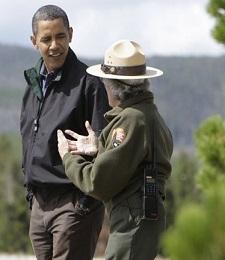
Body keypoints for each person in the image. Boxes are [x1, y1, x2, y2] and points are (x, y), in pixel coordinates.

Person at [57, 39, 173, 260]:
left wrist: (67, 157)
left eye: (105, 82)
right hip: (145, 214)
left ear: (115, 88)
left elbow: (97, 183)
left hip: (133, 218)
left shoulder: (130, 120)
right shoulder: (148, 114)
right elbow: (140, 159)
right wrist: (100, 147)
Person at [20, 4, 109, 260]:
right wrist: (31, 195)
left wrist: (84, 203)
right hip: (39, 205)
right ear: (34, 41)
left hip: (74, 205)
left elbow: (103, 147)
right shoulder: (32, 87)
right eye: (46, 39)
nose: (54, 45)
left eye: (60, 36)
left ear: (71, 33)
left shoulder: (89, 83)